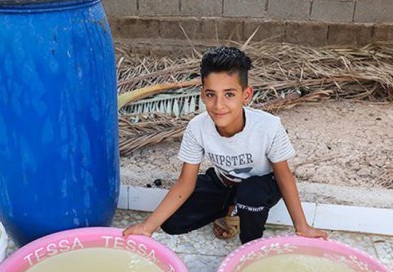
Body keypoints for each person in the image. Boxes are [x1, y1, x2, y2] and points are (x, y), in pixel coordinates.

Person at [123, 46, 327, 243]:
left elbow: (284, 176)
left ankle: (248, 243)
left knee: (250, 195)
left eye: (229, 94)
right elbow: (185, 182)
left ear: (246, 95)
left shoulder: (269, 126)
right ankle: (231, 207)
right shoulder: (197, 127)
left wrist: (302, 227)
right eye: (211, 95)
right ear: (203, 95)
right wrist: (147, 226)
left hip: (260, 186)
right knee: (171, 223)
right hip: (223, 182)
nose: (219, 105)